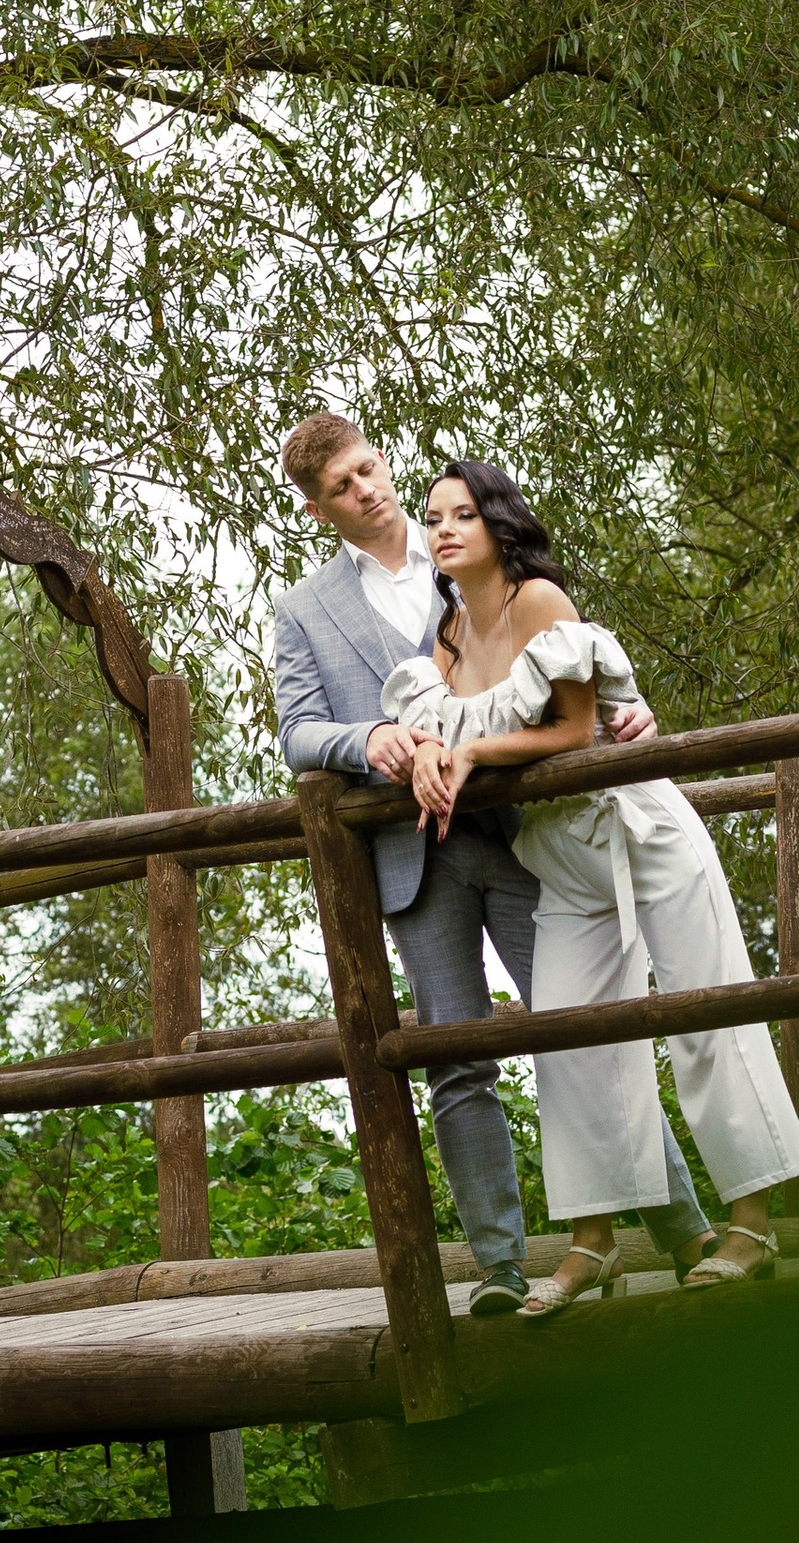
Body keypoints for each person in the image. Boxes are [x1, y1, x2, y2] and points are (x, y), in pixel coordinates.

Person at [271, 412, 715, 1313]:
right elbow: (297, 732)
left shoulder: (472, 552)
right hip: (410, 859)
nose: (366, 489)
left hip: (523, 833)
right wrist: (378, 736)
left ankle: (683, 1231)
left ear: (381, 458)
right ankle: (503, 1269)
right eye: (341, 487)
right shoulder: (302, 610)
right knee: (457, 1065)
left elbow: (568, 660)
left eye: (367, 468)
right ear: (320, 510)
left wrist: (629, 713)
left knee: (581, 1029)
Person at [383, 458, 799, 1317]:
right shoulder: (447, 639)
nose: (442, 530)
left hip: (639, 831)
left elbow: (577, 731)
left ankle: (753, 1225)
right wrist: (432, 749)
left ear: (496, 522)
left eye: (461, 514)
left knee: (705, 1015)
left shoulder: (539, 600)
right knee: (570, 1042)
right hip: (558, 853)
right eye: (432, 517)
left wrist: (473, 753)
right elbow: (431, 718)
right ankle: (593, 1244)